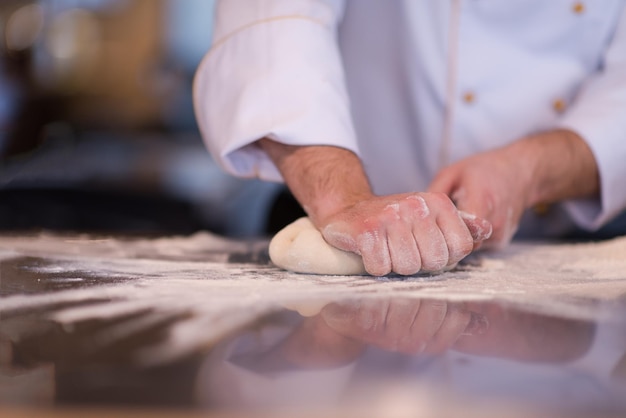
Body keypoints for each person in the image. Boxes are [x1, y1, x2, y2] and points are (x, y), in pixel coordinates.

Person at [194, 1, 626, 275]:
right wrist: (343, 201)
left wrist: (529, 169)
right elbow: (274, 21)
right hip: (328, 211)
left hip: (565, 254)